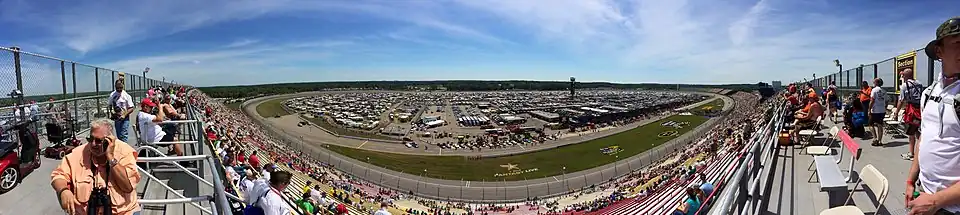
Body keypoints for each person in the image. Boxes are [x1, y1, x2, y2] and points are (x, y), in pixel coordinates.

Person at [907, 16, 960, 215]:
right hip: (925, 196)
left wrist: (936, 201)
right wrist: (911, 179)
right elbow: (923, 137)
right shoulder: (930, 92)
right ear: (939, 51)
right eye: (957, 43)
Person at [51, 118, 141, 215]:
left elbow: (127, 187)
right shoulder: (78, 154)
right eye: (90, 139)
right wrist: (64, 191)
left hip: (122, 212)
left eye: (98, 141)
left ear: (109, 140)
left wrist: (110, 157)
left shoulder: (124, 152)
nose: (93, 144)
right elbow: (58, 175)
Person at [893, 68, 924, 160]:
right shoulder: (919, 83)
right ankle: (921, 151)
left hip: (912, 111)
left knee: (911, 132)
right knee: (918, 131)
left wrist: (896, 113)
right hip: (920, 110)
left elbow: (901, 100)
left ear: (905, 76)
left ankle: (911, 153)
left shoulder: (904, 86)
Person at [868, 78, 887, 146]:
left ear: (876, 83)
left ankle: (875, 138)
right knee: (880, 125)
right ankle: (880, 141)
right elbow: (886, 101)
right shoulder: (884, 91)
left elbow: (872, 100)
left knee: (870, 124)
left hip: (875, 110)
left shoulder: (874, 90)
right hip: (882, 110)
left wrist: (869, 109)